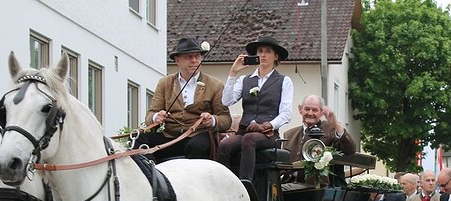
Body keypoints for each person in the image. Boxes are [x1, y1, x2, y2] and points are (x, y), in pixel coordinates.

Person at [137, 37, 232, 162]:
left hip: (198, 135)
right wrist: (157, 117)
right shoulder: (164, 83)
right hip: (170, 137)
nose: (194, 60)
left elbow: (226, 119)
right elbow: (150, 115)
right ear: (177, 60)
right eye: (189, 57)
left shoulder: (215, 85)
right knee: (138, 139)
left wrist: (212, 120)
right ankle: (151, 176)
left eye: (197, 56)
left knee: (196, 146)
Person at [217, 37, 293, 183]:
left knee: (249, 139)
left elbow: (286, 113)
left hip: (268, 134)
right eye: (260, 51)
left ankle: (246, 183)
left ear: (275, 56)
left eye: (268, 51)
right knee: (224, 145)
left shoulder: (284, 81)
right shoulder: (245, 79)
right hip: (244, 130)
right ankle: (223, 184)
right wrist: (233, 73)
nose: (263, 55)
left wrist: (267, 125)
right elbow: (226, 101)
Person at [282, 95, 355, 161]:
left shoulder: (331, 130)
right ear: (300, 109)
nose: (310, 113)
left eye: (315, 110)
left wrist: (336, 125)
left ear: (322, 112)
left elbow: (350, 150)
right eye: (307, 109)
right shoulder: (289, 135)